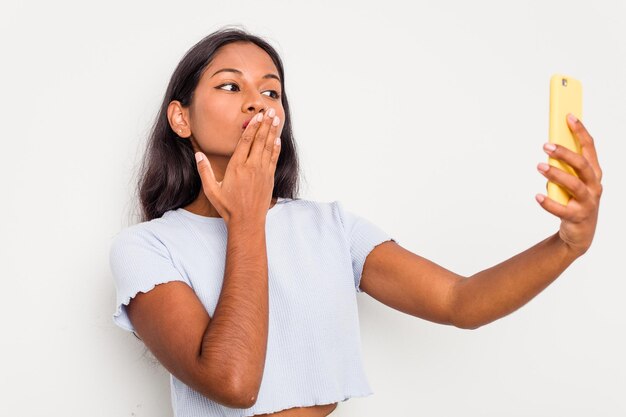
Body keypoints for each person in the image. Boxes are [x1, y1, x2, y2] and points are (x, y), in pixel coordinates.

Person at [109, 26, 603, 417]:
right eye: (230, 85)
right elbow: (234, 384)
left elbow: (461, 301)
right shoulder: (148, 248)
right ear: (181, 118)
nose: (257, 101)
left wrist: (567, 244)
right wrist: (246, 220)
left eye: (272, 91)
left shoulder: (331, 227)